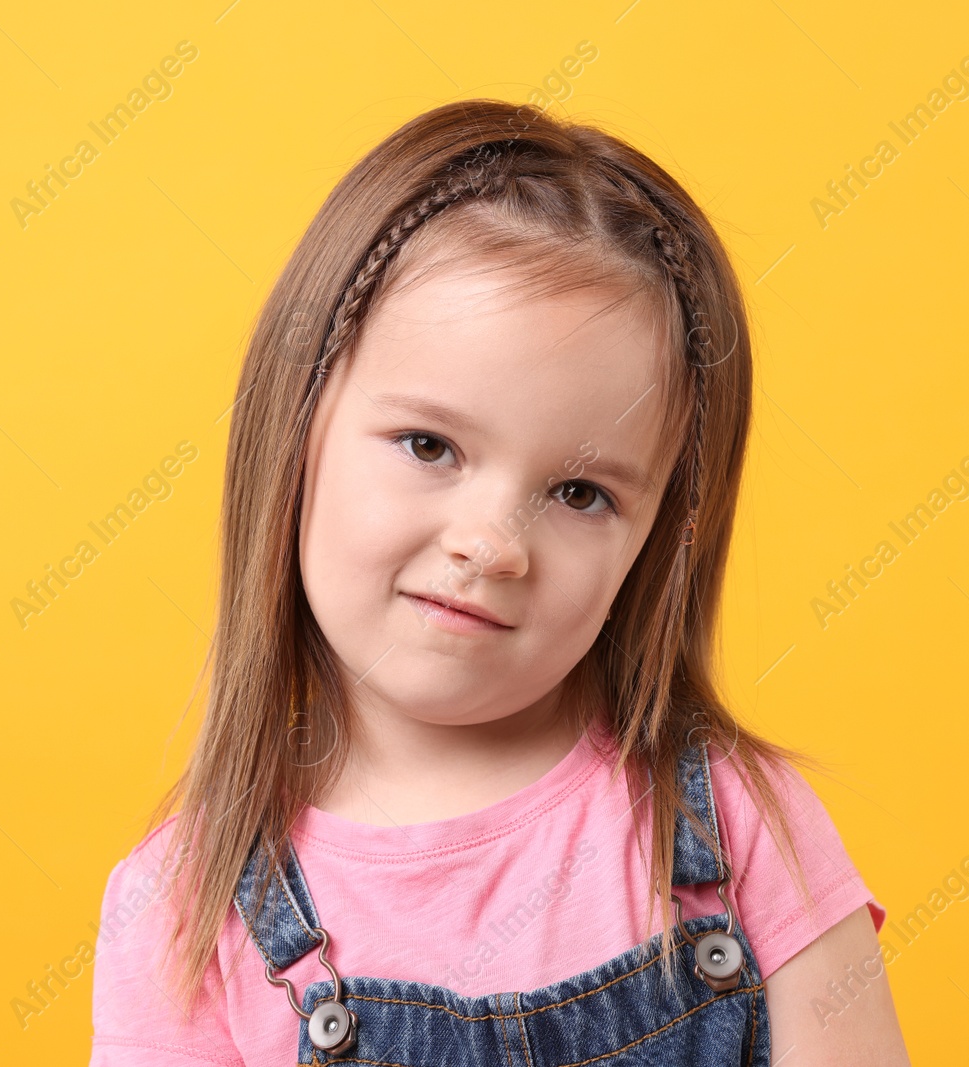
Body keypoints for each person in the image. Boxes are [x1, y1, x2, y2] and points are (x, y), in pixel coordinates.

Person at [89, 97, 910, 1065]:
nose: (494, 543)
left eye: (579, 491)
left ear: (656, 540)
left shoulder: (736, 824)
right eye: (429, 444)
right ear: (295, 422)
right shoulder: (183, 911)